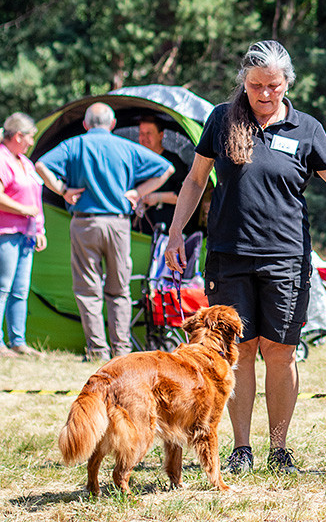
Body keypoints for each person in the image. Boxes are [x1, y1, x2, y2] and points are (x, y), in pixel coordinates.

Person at [164, 40, 326, 476]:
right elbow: (195, 180)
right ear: (244, 81)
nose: (263, 94)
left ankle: (279, 449)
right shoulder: (223, 119)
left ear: (286, 84)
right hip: (229, 256)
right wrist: (176, 232)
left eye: (273, 86)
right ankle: (242, 449)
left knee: (280, 353)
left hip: (287, 260)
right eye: (255, 85)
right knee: (235, 351)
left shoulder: (307, 128)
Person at [36, 102, 173, 361]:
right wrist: (138, 193)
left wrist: (63, 190)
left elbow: (41, 165)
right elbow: (167, 168)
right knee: (119, 289)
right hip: (119, 225)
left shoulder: (73, 145)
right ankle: (121, 350)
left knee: (88, 289)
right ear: (112, 125)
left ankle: (97, 351)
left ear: (86, 124)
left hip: (85, 223)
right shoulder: (127, 147)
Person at [0, 113, 47, 357]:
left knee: (20, 289)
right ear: (18, 135)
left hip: (27, 235)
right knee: (2, 287)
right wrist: (23, 210)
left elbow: (35, 198)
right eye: (29, 136)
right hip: (6, 234)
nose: (31, 142)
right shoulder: (2, 159)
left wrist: (40, 228)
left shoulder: (24, 162)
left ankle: (18, 341)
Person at [134, 115, 190, 234]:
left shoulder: (174, 163)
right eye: (141, 134)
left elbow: (185, 195)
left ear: (161, 135)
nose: (144, 138)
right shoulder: (135, 160)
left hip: (165, 232)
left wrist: (157, 197)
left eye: (149, 133)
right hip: (137, 230)